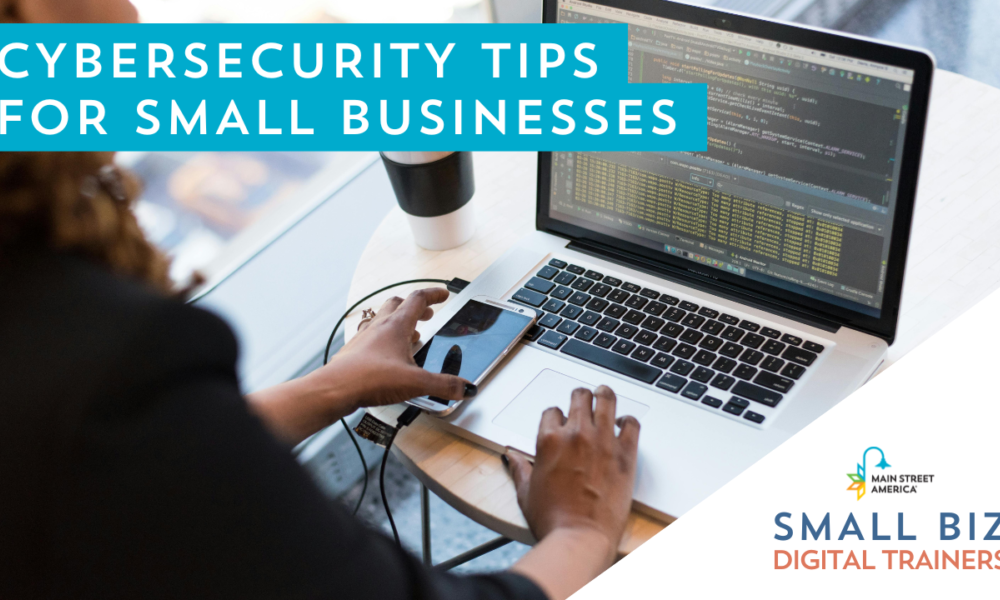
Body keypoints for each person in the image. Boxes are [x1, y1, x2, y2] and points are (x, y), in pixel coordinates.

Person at [0, 2, 643, 599]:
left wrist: (336, 385)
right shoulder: (108, 356)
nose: (136, 12)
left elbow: (130, 465)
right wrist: (582, 532)